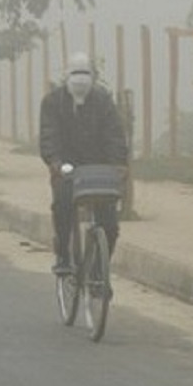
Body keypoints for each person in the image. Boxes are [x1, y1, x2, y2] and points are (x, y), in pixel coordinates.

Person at [39, 52, 129, 274]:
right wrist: (54, 161)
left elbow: (114, 134)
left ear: (93, 77)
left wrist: (118, 163)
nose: (80, 80)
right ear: (66, 76)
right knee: (62, 206)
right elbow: (49, 134)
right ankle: (63, 255)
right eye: (75, 74)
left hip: (98, 169)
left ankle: (100, 271)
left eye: (85, 74)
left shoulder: (103, 101)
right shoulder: (53, 102)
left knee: (110, 224)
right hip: (67, 168)